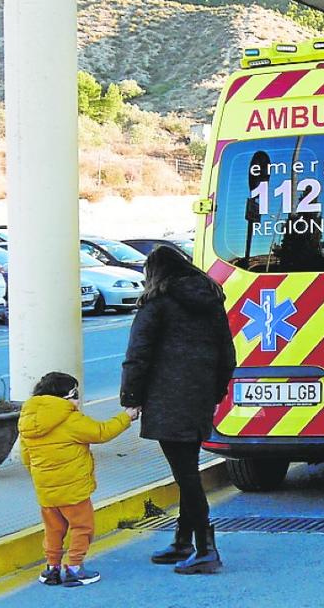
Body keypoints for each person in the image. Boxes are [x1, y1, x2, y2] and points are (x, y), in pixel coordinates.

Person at [121, 246, 236, 574]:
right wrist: (216, 392)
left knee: (186, 476)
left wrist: (131, 396)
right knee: (188, 469)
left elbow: (138, 354)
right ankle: (183, 541)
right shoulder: (212, 301)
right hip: (199, 398)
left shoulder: (156, 303)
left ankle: (205, 549)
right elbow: (227, 354)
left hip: (166, 399)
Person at [18, 371, 139, 587]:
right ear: (64, 397)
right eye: (75, 394)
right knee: (82, 527)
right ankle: (74, 567)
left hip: (46, 490)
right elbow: (101, 432)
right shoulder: (69, 419)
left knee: (53, 530)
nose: (78, 399)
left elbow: (26, 457)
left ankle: (52, 568)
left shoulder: (27, 420)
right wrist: (126, 417)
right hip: (74, 490)